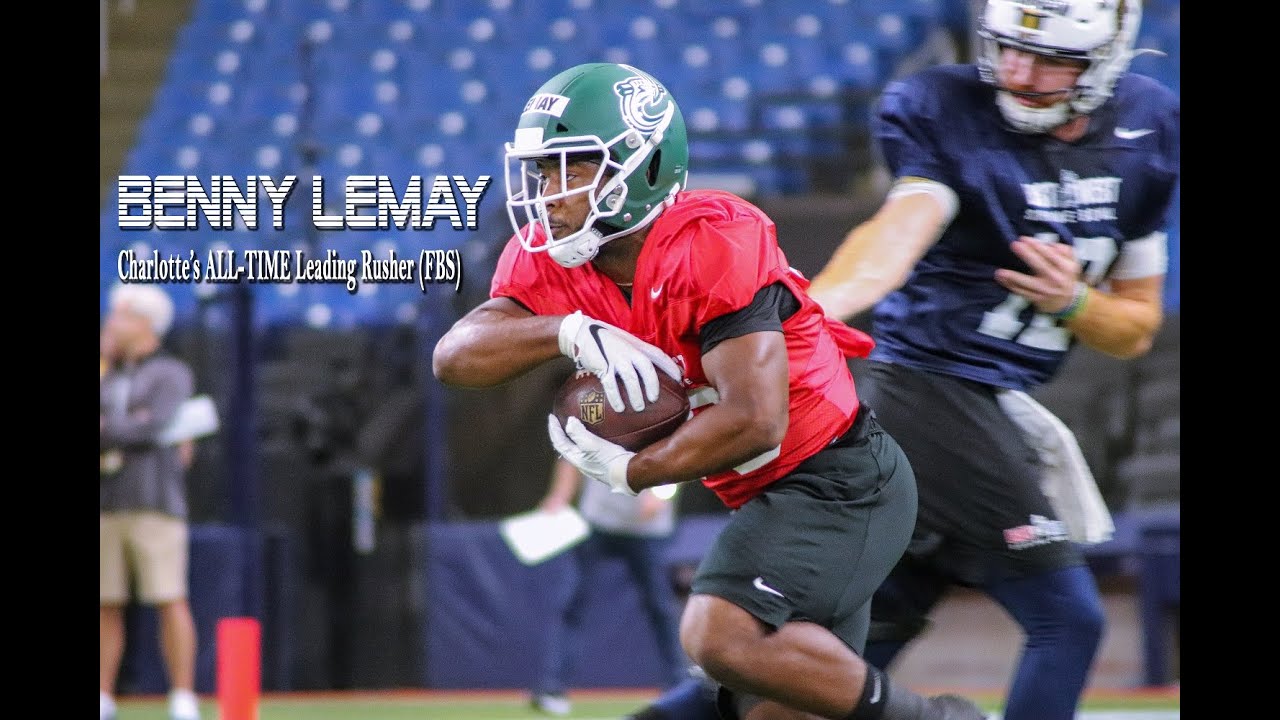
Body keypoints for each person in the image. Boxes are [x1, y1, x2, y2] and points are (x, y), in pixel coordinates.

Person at [625, 1, 1178, 718]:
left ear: (1105, 60)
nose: (1018, 72)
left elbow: (1132, 328)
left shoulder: (1148, 129)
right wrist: (809, 313)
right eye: (1008, 49)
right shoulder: (949, 111)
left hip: (970, 408)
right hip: (931, 394)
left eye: (1047, 59)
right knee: (1068, 618)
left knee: (824, 666)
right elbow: (897, 232)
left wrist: (1075, 303)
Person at [433, 61, 985, 720]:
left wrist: (637, 469)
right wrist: (570, 331)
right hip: (768, 501)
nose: (550, 193)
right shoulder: (551, 260)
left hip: (839, 482)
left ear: (641, 168)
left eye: (571, 171)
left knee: (714, 632)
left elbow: (757, 420)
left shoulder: (712, 239)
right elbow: (455, 356)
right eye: (544, 172)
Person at [100, 284, 202, 720]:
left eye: (119, 316)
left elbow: (152, 426)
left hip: (155, 501)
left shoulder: (170, 373)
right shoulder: (109, 373)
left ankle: (182, 695)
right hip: (107, 501)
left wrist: (114, 426)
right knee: (106, 602)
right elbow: (135, 427)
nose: (110, 324)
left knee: (169, 597)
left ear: (144, 324)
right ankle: (103, 695)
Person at [530, 456, 689, 716]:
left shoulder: (662, 415)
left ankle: (678, 685)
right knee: (572, 604)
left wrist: (662, 495)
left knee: (660, 609)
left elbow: (681, 454)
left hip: (647, 529)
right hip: (596, 522)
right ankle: (552, 689)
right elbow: (572, 453)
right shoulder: (593, 414)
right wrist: (559, 496)